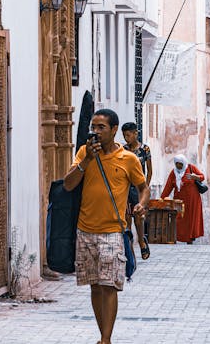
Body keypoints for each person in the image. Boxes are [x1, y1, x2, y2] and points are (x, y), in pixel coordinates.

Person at [64, 108, 150, 344]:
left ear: (114, 130)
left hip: (113, 230)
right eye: (94, 127)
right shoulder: (84, 152)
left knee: (109, 285)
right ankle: (105, 336)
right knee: (95, 285)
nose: (96, 132)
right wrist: (86, 161)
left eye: (101, 127)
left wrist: (141, 205)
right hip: (85, 229)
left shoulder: (128, 159)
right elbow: (68, 184)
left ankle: (105, 339)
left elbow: (143, 188)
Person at [122, 122, 152, 259]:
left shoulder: (144, 150)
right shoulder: (123, 150)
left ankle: (141, 242)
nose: (126, 138)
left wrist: (145, 187)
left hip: (139, 188)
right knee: (127, 218)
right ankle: (129, 247)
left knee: (138, 218)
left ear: (135, 134)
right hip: (126, 188)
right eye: (124, 135)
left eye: (128, 135)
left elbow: (149, 171)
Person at [161, 154, 204, 244]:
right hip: (179, 200)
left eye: (180, 164)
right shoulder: (174, 172)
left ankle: (190, 238)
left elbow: (202, 177)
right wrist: (162, 198)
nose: (179, 166)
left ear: (184, 163)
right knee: (179, 219)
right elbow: (168, 186)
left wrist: (195, 177)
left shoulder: (191, 168)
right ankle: (178, 237)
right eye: (177, 164)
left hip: (193, 200)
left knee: (191, 219)